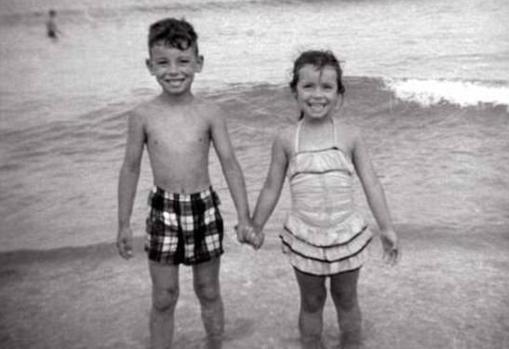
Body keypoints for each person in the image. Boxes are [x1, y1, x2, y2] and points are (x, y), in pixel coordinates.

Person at [116, 18, 257, 349]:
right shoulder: (142, 115)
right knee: (164, 296)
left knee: (208, 290)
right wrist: (123, 223)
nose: (173, 70)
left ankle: (215, 344)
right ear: (150, 66)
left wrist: (245, 216)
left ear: (199, 63)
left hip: (203, 207)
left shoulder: (210, 112)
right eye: (163, 62)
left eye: (183, 61)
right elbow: (130, 167)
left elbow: (230, 164)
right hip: (163, 209)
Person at [251, 50, 399, 349]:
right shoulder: (286, 139)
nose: (317, 95)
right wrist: (256, 225)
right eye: (308, 86)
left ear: (339, 94)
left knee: (346, 300)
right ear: (295, 91)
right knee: (311, 302)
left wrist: (387, 228)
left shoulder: (349, 136)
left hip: (345, 232)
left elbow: (371, 183)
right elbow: (270, 187)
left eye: (327, 87)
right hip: (305, 235)